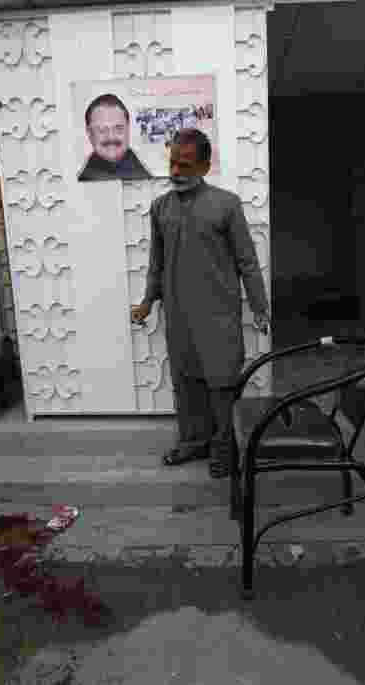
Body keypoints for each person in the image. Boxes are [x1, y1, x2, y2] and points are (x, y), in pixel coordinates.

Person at [130, 128, 270, 479]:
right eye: (173, 163)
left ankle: (224, 451)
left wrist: (259, 307)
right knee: (186, 382)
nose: (176, 171)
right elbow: (155, 263)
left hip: (219, 316)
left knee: (221, 384)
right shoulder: (160, 207)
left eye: (185, 164)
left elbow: (247, 262)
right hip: (178, 316)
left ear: (205, 166)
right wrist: (148, 301)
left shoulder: (226, 205)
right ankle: (193, 442)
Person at [77, 94, 153, 182]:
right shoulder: (82, 178)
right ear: (89, 133)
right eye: (102, 130)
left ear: (128, 129)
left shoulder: (145, 177)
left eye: (118, 128)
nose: (111, 136)